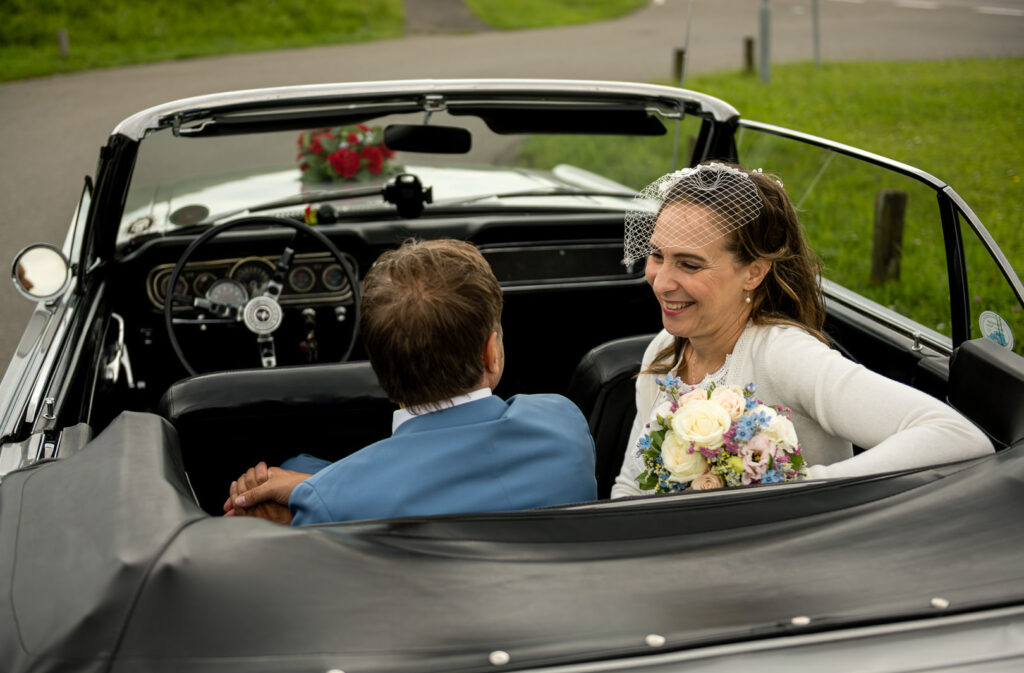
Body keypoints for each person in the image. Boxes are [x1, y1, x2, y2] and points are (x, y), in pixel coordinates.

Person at [612, 162, 992, 498]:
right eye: (657, 254)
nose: (660, 282)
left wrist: (794, 490)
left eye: (690, 265)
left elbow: (959, 436)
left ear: (754, 272)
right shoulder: (664, 350)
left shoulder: (784, 355)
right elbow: (631, 485)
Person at [225, 238, 597, 523]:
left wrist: (309, 491)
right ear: (490, 352)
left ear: (378, 366)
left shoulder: (333, 505)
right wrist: (310, 487)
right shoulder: (563, 424)